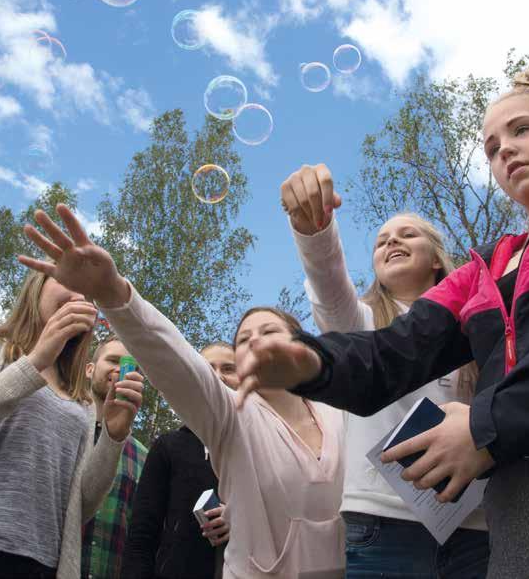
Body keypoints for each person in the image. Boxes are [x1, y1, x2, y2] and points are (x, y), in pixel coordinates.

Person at [236, 63, 529, 578]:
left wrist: (484, 424)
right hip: (518, 518)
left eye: (522, 129)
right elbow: (392, 352)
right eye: (490, 146)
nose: (503, 150)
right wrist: (311, 362)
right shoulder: (484, 271)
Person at [17, 208, 346, 579]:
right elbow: (174, 359)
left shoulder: (343, 412)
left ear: (301, 342)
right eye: (243, 339)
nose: (255, 340)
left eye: (269, 330)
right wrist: (113, 292)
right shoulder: (231, 416)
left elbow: (349, 324)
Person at [281, 162, 489, 577]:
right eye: (381, 241)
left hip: (474, 527)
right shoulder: (360, 323)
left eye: (407, 234)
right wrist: (315, 232)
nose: (392, 240)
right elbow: (329, 287)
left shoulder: (477, 326)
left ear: (436, 258)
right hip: (382, 525)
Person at [0, 269, 143, 579]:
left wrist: (114, 437)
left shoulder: (82, 399)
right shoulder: (1, 348)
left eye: (88, 295)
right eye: (70, 283)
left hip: (46, 563)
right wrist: (36, 360)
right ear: (37, 287)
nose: (80, 297)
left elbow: (83, 503)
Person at [122, 342, 234, 579]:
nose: (218, 376)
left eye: (229, 368)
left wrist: (240, 520)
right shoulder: (169, 446)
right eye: (207, 368)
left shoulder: (262, 448)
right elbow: (143, 535)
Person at [81, 334, 148, 579]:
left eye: (130, 364)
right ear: (89, 369)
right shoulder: (62, 429)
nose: (120, 368)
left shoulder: (143, 456)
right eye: (112, 360)